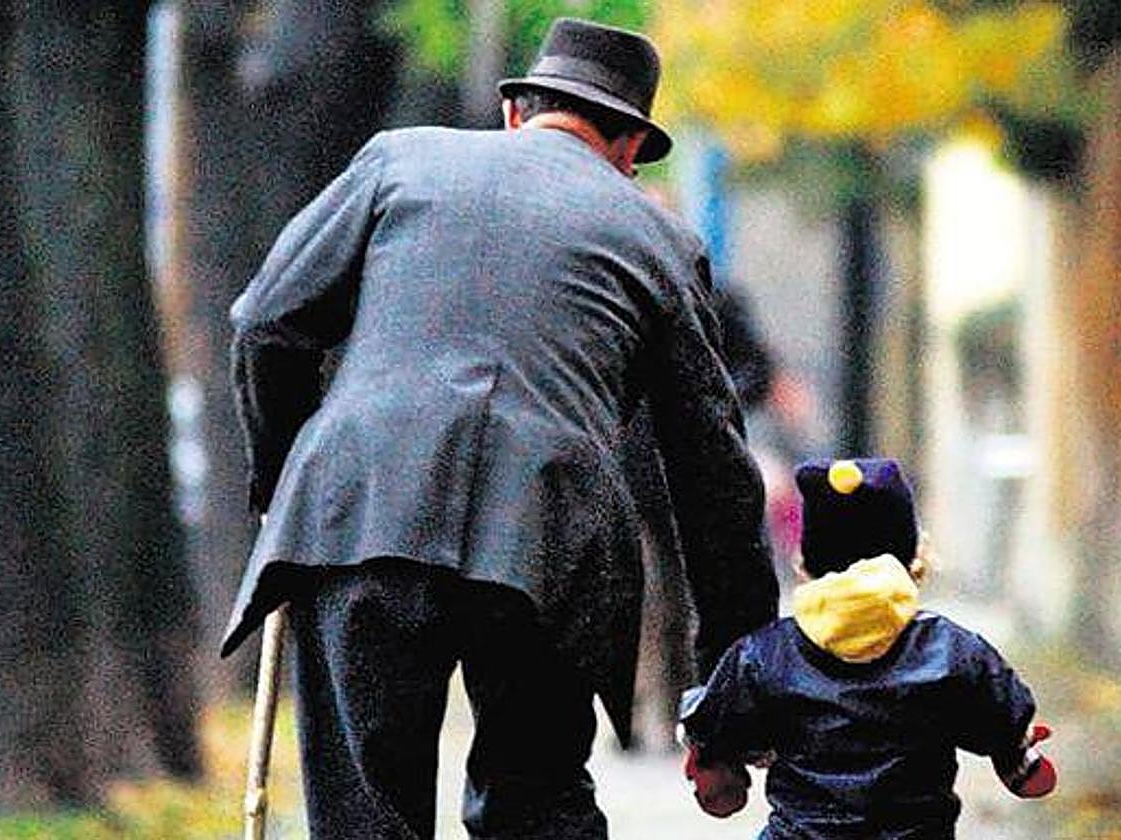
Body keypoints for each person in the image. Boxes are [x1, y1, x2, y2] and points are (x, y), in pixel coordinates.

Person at [219, 17, 779, 840]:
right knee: (537, 798)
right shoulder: (658, 239)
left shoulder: (396, 161)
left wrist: (281, 478)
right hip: (551, 536)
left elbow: (266, 322)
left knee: (366, 814)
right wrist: (735, 700)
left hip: (365, 504)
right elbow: (715, 481)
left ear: (517, 112)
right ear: (628, 151)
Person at [679, 457, 1057, 838]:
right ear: (914, 560)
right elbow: (1000, 711)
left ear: (805, 564)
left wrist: (713, 753)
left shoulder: (765, 655)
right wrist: (1014, 752)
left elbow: (718, 719)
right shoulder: (953, 652)